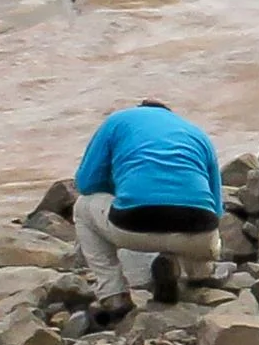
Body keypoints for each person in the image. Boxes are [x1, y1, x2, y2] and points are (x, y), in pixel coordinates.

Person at [70, 98, 228, 308]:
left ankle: (113, 294)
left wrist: (119, 186)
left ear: (140, 110)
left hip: (134, 227)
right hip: (199, 235)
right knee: (196, 211)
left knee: (82, 207)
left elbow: (86, 183)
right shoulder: (197, 133)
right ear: (169, 114)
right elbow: (216, 209)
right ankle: (198, 274)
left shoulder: (118, 121)